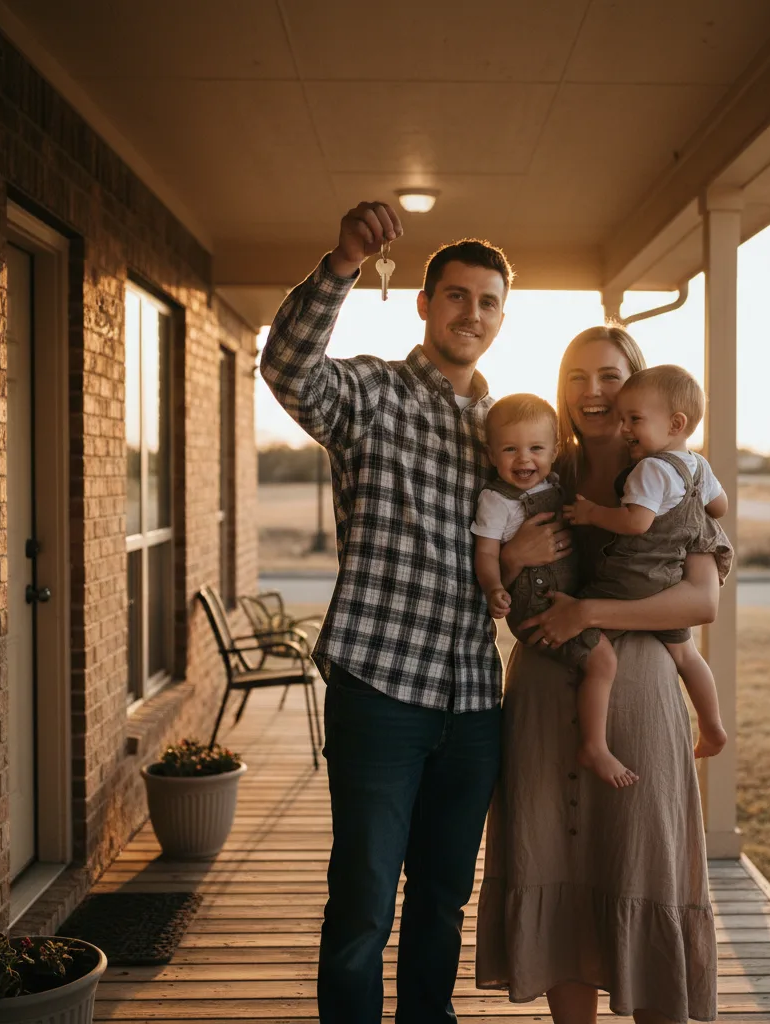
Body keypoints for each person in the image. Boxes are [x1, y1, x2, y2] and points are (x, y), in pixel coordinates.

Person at [260, 201, 524, 1024]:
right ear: (424, 302)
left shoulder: (507, 430)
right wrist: (340, 262)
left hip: (475, 699)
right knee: (364, 903)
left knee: (443, 897)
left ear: (501, 317)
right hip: (379, 687)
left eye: (486, 301)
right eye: (455, 295)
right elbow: (289, 372)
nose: (469, 313)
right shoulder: (372, 392)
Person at [476, 325, 721, 1023]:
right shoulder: (533, 470)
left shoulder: (674, 478)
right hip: (541, 699)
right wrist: (516, 559)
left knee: (644, 861)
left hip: (638, 691)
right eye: (577, 377)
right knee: (552, 858)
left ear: (638, 386)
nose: (592, 393)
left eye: (610, 377)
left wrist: (589, 611)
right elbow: (493, 586)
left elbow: (702, 600)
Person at [563, 363, 732, 774]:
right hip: (667, 582)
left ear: (675, 423)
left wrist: (591, 514)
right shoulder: (697, 465)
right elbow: (719, 507)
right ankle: (712, 728)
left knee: (594, 648)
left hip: (630, 580)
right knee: (688, 655)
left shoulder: (650, 469)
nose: (625, 429)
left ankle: (592, 742)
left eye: (634, 419)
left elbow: (635, 523)